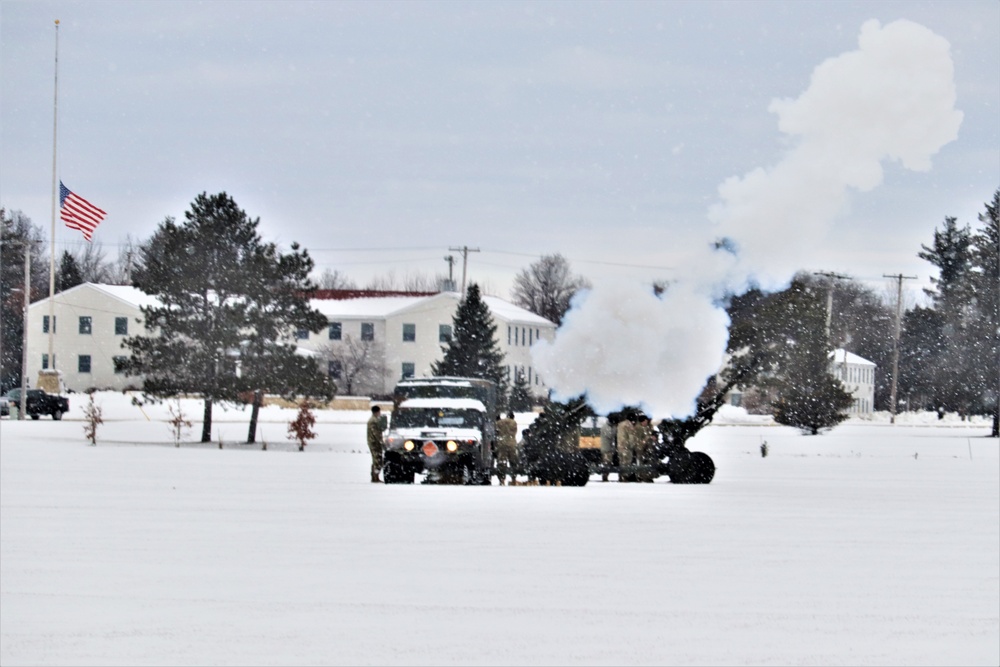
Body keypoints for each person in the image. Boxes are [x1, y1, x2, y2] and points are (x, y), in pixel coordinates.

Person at [496, 411, 519, 485]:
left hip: (502, 444)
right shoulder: (514, 422)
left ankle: (502, 479)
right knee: (513, 462)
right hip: (512, 444)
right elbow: (514, 432)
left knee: (502, 463)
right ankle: (513, 478)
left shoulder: (499, 422)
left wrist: (498, 419)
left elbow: (497, 430)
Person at [367, 405, 385, 483]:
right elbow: (376, 433)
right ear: (377, 412)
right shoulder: (373, 421)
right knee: (376, 460)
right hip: (374, 443)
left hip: (375, 442)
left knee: (377, 459)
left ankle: (375, 476)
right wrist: (381, 442)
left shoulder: (375, 420)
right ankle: (375, 477)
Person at [616, 415, 635, 482]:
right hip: (626, 446)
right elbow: (631, 436)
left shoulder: (620, 424)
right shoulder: (629, 425)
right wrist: (632, 445)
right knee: (627, 462)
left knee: (621, 462)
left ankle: (620, 476)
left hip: (620, 446)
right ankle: (625, 477)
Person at [599, 416, 617, 482]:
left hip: (609, 448)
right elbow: (610, 435)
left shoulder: (610, 427)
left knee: (608, 462)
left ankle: (606, 475)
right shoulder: (606, 427)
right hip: (606, 448)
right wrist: (615, 429)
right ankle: (605, 476)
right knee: (606, 462)